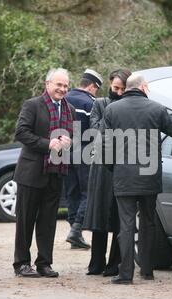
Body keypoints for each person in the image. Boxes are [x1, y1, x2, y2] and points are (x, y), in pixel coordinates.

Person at [103, 74, 172, 284]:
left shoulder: (112, 110)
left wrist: (115, 169)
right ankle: (147, 270)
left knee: (125, 225)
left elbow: (105, 146)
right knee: (148, 222)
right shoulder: (157, 109)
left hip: (123, 177)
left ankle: (125, 275)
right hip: (149, 176)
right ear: (144, 87)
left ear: (127, 88)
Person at [13, 68, 74, 278]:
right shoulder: (32, 105)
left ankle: (44, 263)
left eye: (66, 86)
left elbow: (70, 138)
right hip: (31, 172)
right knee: (25, 220)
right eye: (59, 84)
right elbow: (21, 132)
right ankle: (21, 263)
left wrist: (68, 143)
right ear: (48, 84)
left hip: (56, 172)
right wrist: (49, 144)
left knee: (48, 222)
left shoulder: (70, 109)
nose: (62, 89)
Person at [83, 68, 132, 276]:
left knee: (119, 217)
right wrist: (113, 113)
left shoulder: (130, 107)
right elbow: (95, 132)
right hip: (101, 168)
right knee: (100, 214)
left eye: (123, 89)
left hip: (122, 166)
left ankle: (114, 265)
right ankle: (96, 263)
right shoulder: (100, 104)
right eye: (116, 88)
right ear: (110, 84)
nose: (119, 92)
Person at [64, 69, 103, 249]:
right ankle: (76, 229)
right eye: (96, 89)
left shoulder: (64, 98)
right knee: (88, 191)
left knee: (71, 192)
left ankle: (74, 231)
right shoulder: (90, 103)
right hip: (84, 152)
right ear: (92, 86)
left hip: (64, 151)